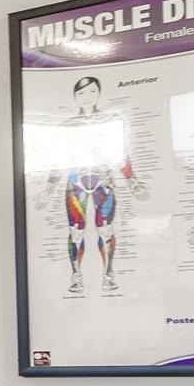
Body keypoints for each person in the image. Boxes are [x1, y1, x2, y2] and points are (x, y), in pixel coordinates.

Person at [50, 73, 134, 295]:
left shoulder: (109, 123)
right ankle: (76, 276)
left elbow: (121, 155)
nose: (87, 96)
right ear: (75, 96)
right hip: (75, 184)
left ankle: (108, 275)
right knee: (75, 231)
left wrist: (132, 180)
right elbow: (58, 159)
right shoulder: (67, 126)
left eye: (92, 92)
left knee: (105, 229)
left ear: (98, 94)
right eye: (82, 93)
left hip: (103, 183)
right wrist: (49, 187)